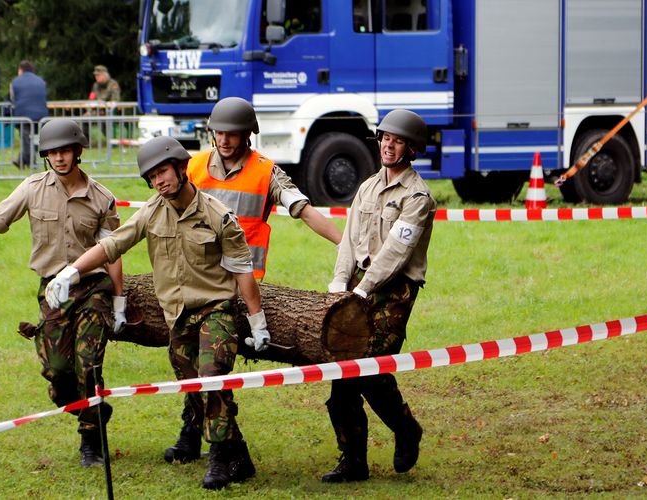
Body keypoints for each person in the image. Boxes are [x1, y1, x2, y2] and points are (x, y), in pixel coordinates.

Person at [45, 135, 269, 490]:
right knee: (194, 387)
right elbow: (112, 244)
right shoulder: (151, 211)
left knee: (211, 377)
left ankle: (220, 460)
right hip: (178, 317)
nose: (158, 181)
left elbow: (243, 269)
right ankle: (238, 453)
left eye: (163, 172)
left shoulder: (217, 214)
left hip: (217, 311)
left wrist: (257, 322)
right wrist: (72, 271)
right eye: (151, 177)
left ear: (182, 168)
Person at [0, 118, 126, 468]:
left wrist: (119, 300)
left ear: (78, 151)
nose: (59, 158)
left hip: (92, 288)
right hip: (52, 291)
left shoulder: (101, 198)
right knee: (59, 374)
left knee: (88, 364)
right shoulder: (31, 189)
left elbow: (112, 252)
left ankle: (91, 441)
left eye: (65, 151)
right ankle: (92, 408)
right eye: (52, 152)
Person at [160, 96, 343, 465]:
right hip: (194, 278)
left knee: (211, 365)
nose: (225, 139)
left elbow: (303, 211)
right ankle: (192, 429)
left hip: (238, 285)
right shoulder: (192, 166)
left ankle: (216, 446)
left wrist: (345, 245)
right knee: (188, 360)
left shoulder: (266, 172)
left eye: (233, 133)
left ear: (248, 135)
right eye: (219, 132)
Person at [322, 109, 436, 482]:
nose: (388, 144)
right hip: (357, 285)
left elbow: (395, 253)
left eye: (397, 140)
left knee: (372, 369)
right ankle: (353, 460)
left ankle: (406, 429)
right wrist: (340, 284)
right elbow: (348, 241)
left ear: (411, 148)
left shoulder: (418, 197)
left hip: (394, 291)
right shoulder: (367, 187)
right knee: (342, 377)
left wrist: (363, 288)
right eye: (385, 137)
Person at [10, 60, 48, 168]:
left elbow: (13, 99)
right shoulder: (41, 81)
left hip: (24, 114)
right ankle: (24, 161)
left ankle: (29, 162)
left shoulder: (15, 81)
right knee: (35, 139)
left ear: (20, 70)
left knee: (26, 139)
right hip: (41, 115)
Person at [83, 65, 121, 143]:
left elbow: (115, 100)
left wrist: (105, 108)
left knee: (106, 120)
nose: (96, 77)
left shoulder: (113, 84)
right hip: (97, 111)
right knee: (85, 118)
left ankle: (111, 141)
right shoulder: (95, 85)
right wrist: (89, 110)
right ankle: (86, 142)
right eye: (95, 76)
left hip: (109, 111)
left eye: (98, 75)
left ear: (105, 75)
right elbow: (91, 99)